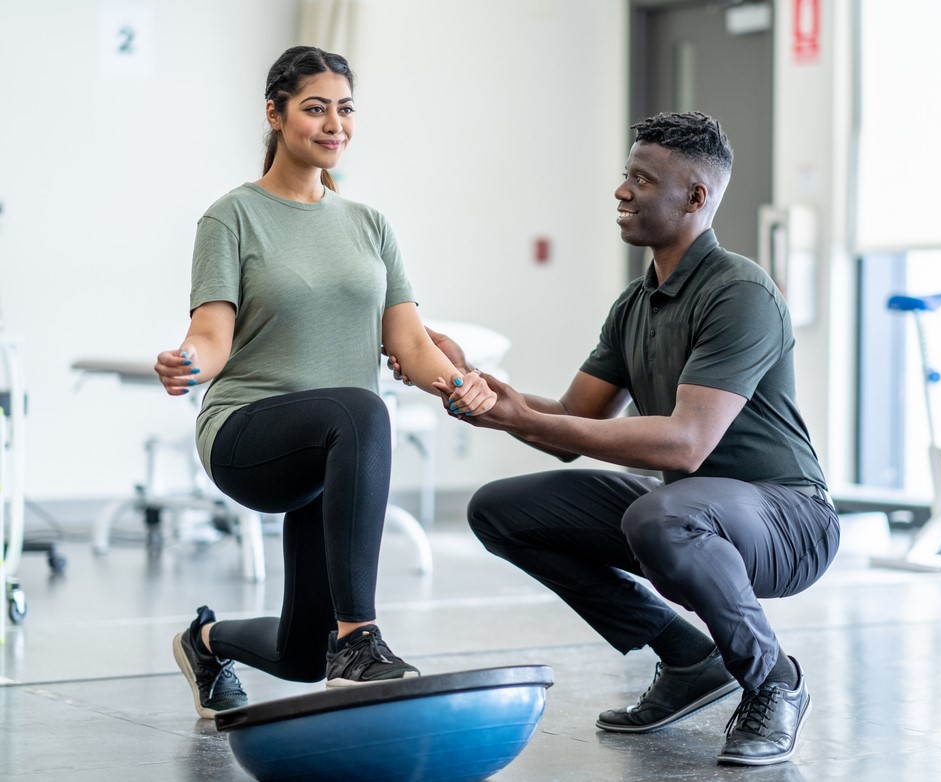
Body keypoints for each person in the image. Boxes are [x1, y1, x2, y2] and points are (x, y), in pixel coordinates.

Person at [387, 111, 839, 766]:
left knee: (662, 515)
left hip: (789, 519)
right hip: (690, 510)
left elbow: (686, 444)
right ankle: (689, 661)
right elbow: (574, 419)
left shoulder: (739, 292)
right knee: (501, 511)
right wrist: (473, 388)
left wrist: (526, 418)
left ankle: (772, 681)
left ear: (694, 197)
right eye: (624, 176)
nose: (620, 191)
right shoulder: (635, 304)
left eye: (639, 179)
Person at [154, 46, 496, 720]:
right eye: (315, 108)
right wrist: (186, 361)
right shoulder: (233, 216)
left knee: (299, 655)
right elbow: (211, 337)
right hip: (248, 432)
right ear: (274, 115)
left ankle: (206, 641)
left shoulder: (369, 225)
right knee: (364, 410)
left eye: (344, 109)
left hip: (332, 448)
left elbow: (410, 344)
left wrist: (463, 384)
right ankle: (359, 638)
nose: (333, 123)